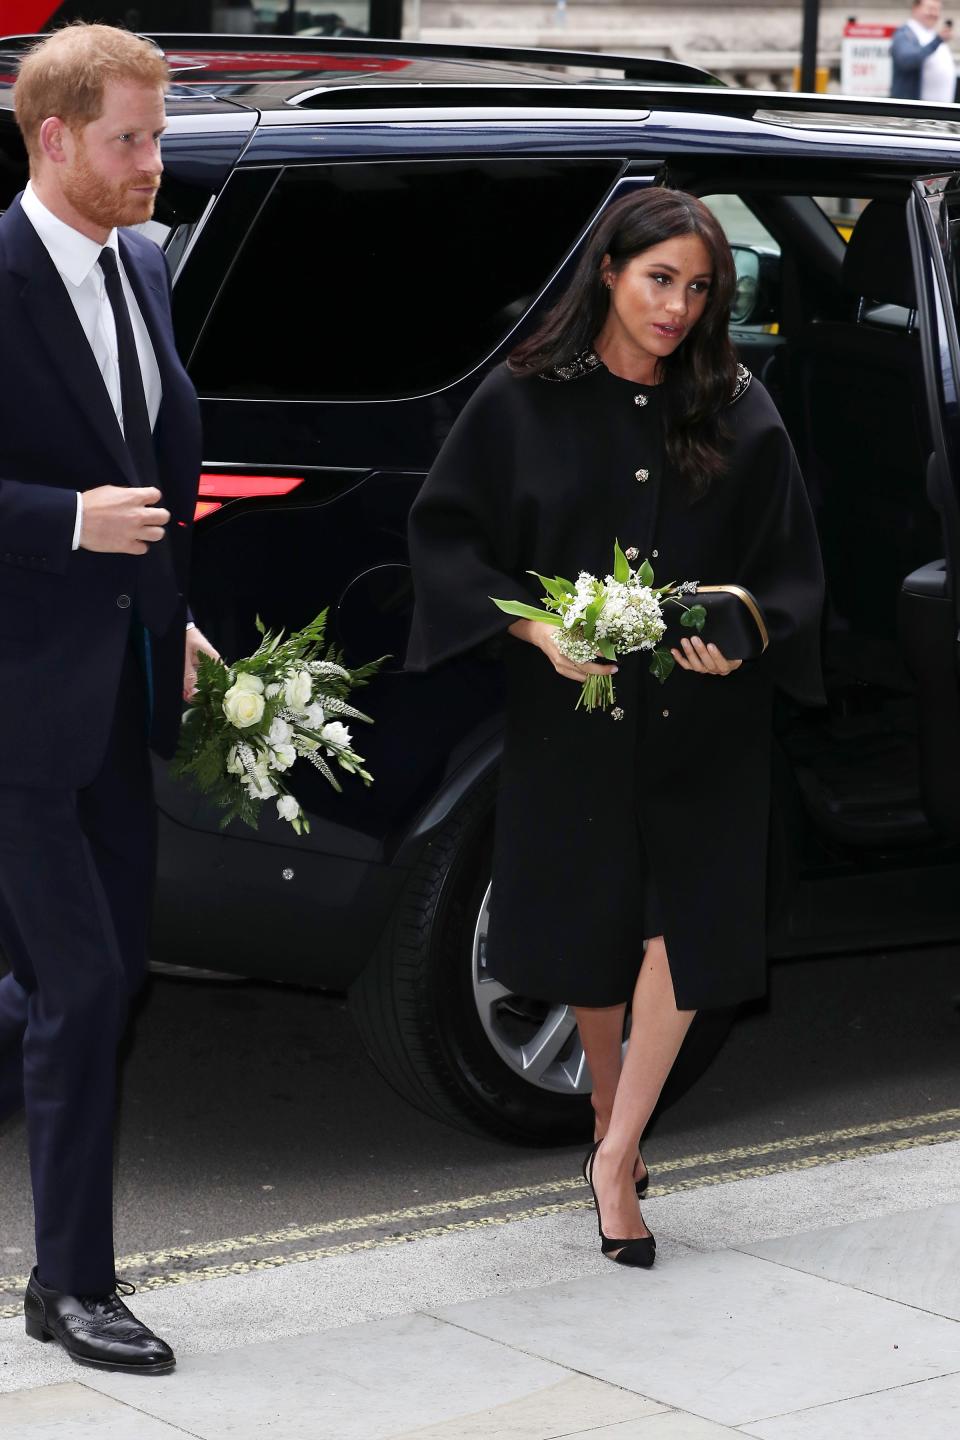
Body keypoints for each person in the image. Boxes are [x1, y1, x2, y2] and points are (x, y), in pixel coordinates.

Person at [406, 188, 824, 1268]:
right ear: (607, 271)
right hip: (574, 716)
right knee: (590, 934)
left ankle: (617, 1150)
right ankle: (606, 1124)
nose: (678, 307)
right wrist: (538, 630)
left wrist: (742, 628)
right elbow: (452, 546)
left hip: (704, 725)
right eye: (659, 280)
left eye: (698, 288)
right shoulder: (520, 401)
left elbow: (789, 573)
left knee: (685, 926)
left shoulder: (739, 402)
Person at [0, 24, 217, 1370]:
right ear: (56, 137)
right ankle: (70, 1286)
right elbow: (92, 500)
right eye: (132, 139)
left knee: (92, 979)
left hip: (118, 691)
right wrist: (66, 524)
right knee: (83, 986)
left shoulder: (142, 262)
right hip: (12, 703)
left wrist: (172, 619)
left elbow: (156, 457)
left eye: (158, 135)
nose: (154, 162)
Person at [890, 0, 956, 102]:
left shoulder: (931, 34)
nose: (934, 14)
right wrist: (937, 40)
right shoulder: (905, 34)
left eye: (937, 10)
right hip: (915, 111)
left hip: (937, 111)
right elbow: (907, 61)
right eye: (930, 9)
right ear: (915, 8)